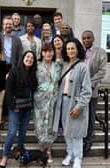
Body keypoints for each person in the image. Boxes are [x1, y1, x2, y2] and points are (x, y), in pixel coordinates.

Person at [53, 38, 92, 168]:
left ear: (77, 50)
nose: (70, 51)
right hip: (63, 103)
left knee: (76, 133)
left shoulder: (82, 67)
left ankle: (78, 157)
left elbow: (87, 91)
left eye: (72, 48)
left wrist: (79, 106)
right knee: (67, 131)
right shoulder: (64, 65)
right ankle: (70, 153)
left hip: (75, 103)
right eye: (68, 48)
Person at [0, 51, 38, 168]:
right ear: (23, 58)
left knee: (23, 133)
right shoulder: (14, 71)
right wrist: (12, 105)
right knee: (12, 132)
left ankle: (21, 156)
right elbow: (8, 90)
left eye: (32, 58)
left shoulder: (32, 73)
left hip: (27, 107)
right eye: (27, 57)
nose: (29, 59)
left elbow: (34, 89)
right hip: (15, 107)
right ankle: (5, 156)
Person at [33, 43, 62, 164]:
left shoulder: (59, 66)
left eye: (50, 51)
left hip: (54, 99)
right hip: (39, 100)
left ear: (53, 52)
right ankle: (41, 150)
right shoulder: (37, 66)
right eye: (45, 51)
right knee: (40, 125)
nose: (48, 53)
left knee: (51, 125)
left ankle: (49, 150)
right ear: (42, 53)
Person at [81, 30, 107, 153]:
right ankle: (81, 139)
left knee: (91, 118)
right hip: (79, 92)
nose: (86, 40)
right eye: (84, 38)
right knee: (81, 118)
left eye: (88, 38)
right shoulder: (79, 52)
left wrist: (89, 84)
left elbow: (102, 71)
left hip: (92, 91)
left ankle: (89, 141)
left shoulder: (100, 52)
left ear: (93, 38)